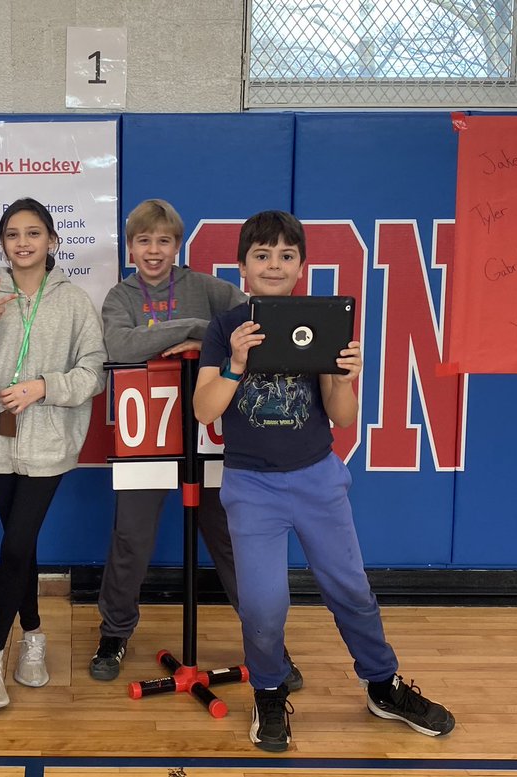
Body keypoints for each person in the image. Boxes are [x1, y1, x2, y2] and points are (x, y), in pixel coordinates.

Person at [193, 211, 456, 752]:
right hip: (252, 485)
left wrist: (341, 376)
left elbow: (342, 416)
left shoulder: (324, 320)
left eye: (286, 256)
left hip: (317, 478)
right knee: (265, 606)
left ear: (301, 266)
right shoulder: (225, 328)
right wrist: (237, 362)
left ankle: (383, 686)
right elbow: (204, 410)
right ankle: (268, 692)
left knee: (351, 591)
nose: (274, 265)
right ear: (242, 266)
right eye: (262, 255)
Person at [91, 199, 302, 690]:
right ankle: (114, 633)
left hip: (211, 433)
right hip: (144, 435)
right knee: (131, 540)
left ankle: (268, 645)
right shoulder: (119, 297)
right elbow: (119, 346)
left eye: (163, 240)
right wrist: (195, 332)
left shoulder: (208, 288)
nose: (154, 250)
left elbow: (255, 327)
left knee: (231, 543)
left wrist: (198, 342)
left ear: (177, 245)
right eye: (144, 241)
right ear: (130, 247)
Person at [0, 197, 106, 709]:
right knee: (23, 545)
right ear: (2, 243)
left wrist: (43, 386)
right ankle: (35, 635)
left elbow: (94, 373)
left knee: (16, 544)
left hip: (49, 441)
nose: (23, 242)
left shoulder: (74, 301)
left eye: (34, 233)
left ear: (52, 242)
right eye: (13, 234)